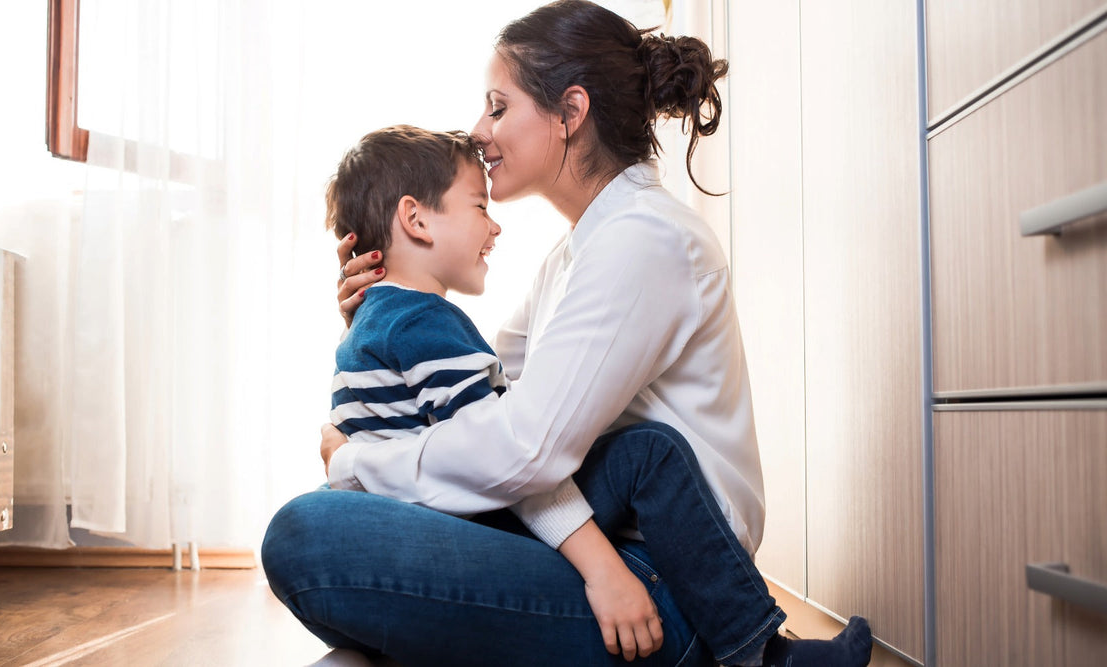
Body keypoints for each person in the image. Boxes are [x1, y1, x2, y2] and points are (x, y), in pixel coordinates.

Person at [263, 2, 873, 665]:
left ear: (569, 113)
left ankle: (754, 653)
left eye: (498, 107)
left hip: (662, 583)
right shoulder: (577, 254)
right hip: (600, 548)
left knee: (306, 532)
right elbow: (479, 396)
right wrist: (382, 315)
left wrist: (356, 460)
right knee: (340, 542)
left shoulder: (642, 240)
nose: (479, 129)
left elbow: (517, 444)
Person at [324, 124, 665, 660]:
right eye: (479, 207)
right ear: (415, 219)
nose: (495, 225)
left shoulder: (368, 332)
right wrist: (606, 571)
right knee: (650, 452)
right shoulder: (424, 324)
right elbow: (505, 457)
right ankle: (755, 642)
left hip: (412, 534)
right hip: (464, 533)